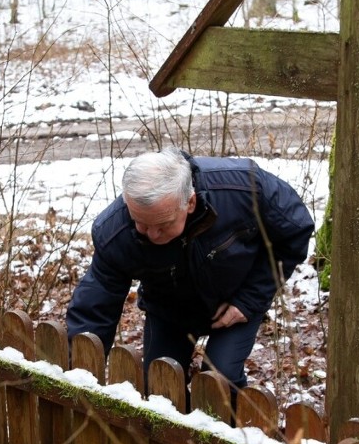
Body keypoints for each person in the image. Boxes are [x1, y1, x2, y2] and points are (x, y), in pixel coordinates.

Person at [66, 146, 314, 391]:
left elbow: (295, 231)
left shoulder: (243, 187)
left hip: (235, 299)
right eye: (140, 223)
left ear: (191, 202)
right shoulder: (115, 232)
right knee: (159, 382)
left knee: (220, 380)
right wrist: (74, 371)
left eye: (163, 224)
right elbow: (95, 307)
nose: (152, 234)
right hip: (169, 310)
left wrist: (249, 300)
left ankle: (229, 429)